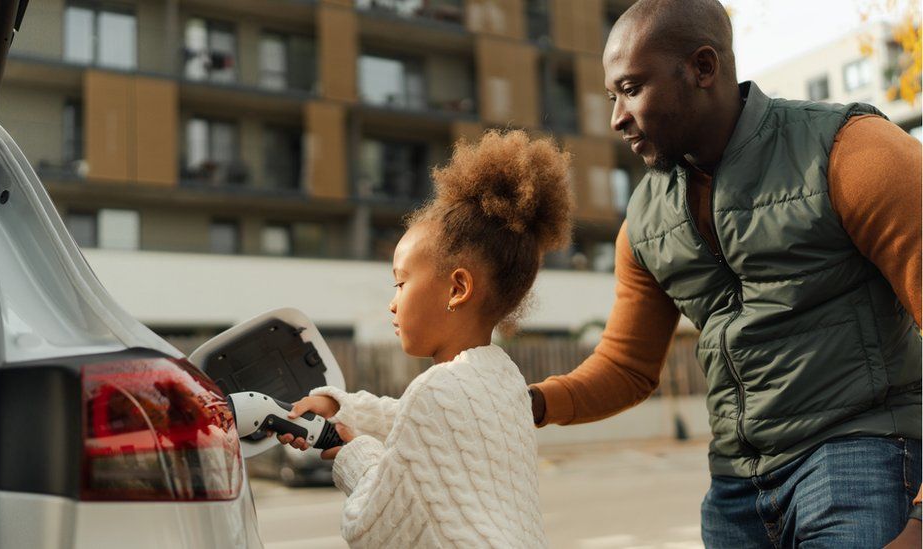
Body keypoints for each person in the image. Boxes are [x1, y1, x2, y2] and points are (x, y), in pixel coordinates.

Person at [526, 0, 922, 547]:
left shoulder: (853, 153)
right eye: (611, 95)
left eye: (632, 88)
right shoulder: (644, 222)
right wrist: (530, 404)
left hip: (858, 454)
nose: (616, 117)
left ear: (703, 68)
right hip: (735, 490)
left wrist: (922, 517)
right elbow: (626, 367)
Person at [278, 130, 571, 548]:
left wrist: (353, 455)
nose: (392, 305)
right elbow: (416, 422)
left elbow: (376, 526)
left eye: (401, 284)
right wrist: (341, 407)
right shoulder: (500, 381)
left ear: (457, 289)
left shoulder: (437, 390)